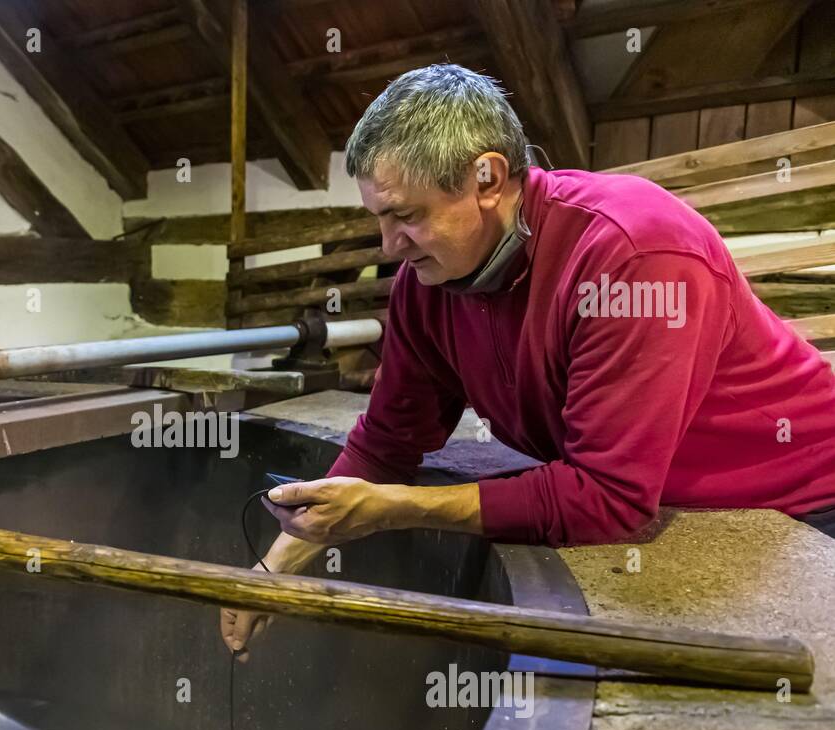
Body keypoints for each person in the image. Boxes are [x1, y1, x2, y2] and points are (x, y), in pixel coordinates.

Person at [221, 64, 835, 660]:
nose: (390, 246)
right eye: (379, 219)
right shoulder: (427, 283)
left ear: (487, 179)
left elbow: (606, 499)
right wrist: (273, 571)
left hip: (804, 502)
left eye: (407, 216)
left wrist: (394, 509)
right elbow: (388, 441)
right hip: (667, 503)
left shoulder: (630, 255)